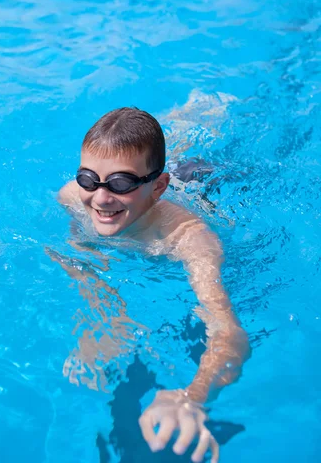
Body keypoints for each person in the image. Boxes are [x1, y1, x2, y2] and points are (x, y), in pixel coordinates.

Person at [52, 107, 250, 463]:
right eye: (88, 179)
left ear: (158, 187)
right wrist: (102, 309)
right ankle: (189, 116)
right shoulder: (73, 197)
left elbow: (229, 333)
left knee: (210, 163)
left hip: (202, 183)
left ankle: (209, 113)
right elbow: (75, 247)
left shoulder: (188, 240)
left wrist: (194, 395)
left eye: (120, 184)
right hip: (155, 178)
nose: (100, 198)